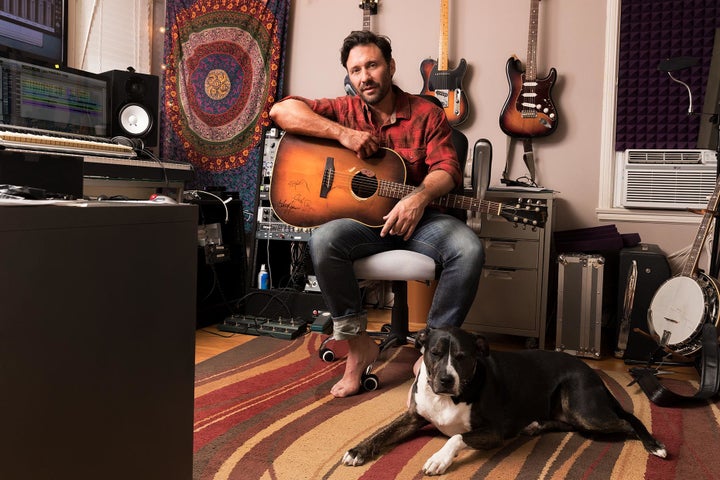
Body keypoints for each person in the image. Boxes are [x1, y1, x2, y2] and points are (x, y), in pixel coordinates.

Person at [269, 30, 484, 398]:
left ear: (391, 66)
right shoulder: (344, 110)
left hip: (422, 220)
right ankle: (357, 347)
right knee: (323, 240)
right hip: (365, 224)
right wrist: (343, 135)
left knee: (469, 249)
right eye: (356, 70)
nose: (364, 76)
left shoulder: (426, 112)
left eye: (372, 65)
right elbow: (280, 110)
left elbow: (448, 168)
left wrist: (417, 198)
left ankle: (430, 350)